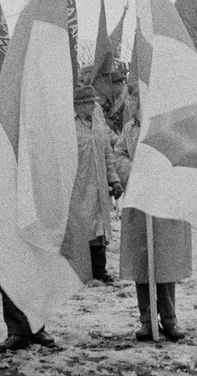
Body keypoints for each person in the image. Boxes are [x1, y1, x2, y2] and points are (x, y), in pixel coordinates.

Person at [114, 95, 190, 342]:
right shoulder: (130, 129)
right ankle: (147, 321)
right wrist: (135, 171)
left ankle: (169, 320)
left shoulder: (168, 126)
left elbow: (179, 158)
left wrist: (158, 172)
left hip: (164, 204)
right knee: (142, 264)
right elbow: (119, 155)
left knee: (165, 263)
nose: (137, 103)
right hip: (139, 204)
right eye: (135, 99)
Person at [74, 85, 124, 283]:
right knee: (81, 227)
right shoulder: (69, 126)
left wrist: (114, 179)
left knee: (100, 228)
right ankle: (80, 271)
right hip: (79, 185)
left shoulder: (99, 123)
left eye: (93, 102)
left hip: (99, 184)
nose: (93, 106)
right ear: (78, 105)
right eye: (88, 103)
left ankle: (99, 269)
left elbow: (107, 154)